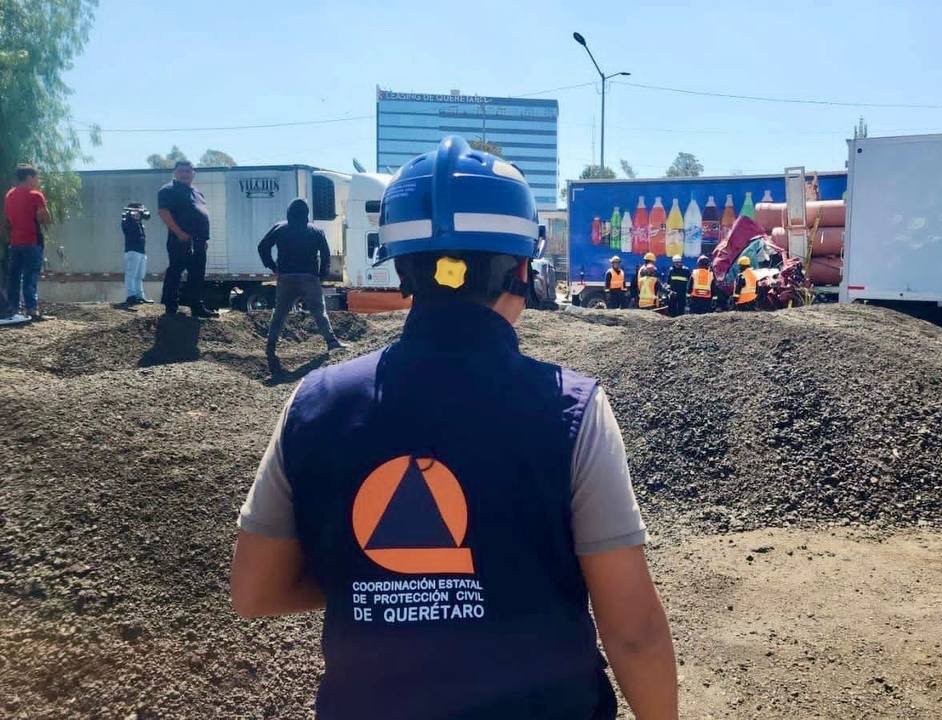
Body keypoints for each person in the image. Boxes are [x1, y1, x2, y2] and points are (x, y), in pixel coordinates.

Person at [230, 136, 678, 720]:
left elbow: (255, 590)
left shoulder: (314, 403)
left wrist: (381, 573)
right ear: (523, 269)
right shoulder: (571, 408)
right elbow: (634, 633)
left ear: (402, 269)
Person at [258, 198, 345, 367]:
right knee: (319, 311)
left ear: (289, 212)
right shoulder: (316, 231)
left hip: (286, 277)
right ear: (306, 213)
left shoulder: (280, 228)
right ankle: (332, 343)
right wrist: (321, 276)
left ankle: (270, 346)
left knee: (280, 313)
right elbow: (326, 256)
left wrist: (273, 267)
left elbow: (262, 247)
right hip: (309, 277)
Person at [158, 160, 217, 318]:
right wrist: (179, 232)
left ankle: (196, 306)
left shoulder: (197, 192)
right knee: (176, 271)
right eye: (181, 171)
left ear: (193, 174)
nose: (185, 174)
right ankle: (170, 306)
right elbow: (163, 212)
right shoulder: (168, 190)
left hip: (199, 241)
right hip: (181, 238)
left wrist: (204, 240)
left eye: (188, 171)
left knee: (197, 273)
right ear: (175, 173)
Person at [4, 163, 51, 320]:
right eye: (36, 177)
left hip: (15, 242)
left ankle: (12, 309)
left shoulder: (9, 195)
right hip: (32, 240)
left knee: (14, 276)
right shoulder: (36, 195)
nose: (38, 180)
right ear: (29, 177)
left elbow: (8, 220)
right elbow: (45, 219)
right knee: (30, 276)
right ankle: (31, 309)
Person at [121, 202, 153, 305]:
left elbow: (148, 216)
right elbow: (127, 229)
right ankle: (131, 295)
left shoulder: (138, 222)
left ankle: (140, 296)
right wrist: (132, 215)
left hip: (141, 251)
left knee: (140, 276)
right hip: (132, 251)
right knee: (131, 274)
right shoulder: (127, 220)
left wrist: (140, 215)